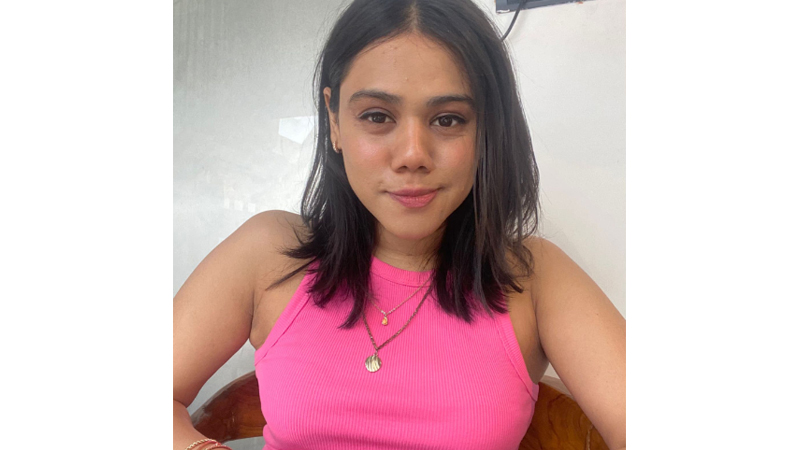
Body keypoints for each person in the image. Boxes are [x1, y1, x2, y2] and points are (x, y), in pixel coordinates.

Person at [173, 0, 626, 449]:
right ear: (334, 119)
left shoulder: (534, 278)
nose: (412, 155)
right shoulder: (267, 254)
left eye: (448, 119)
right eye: (377, 116)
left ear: (486, 129)